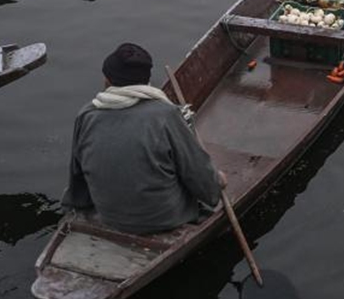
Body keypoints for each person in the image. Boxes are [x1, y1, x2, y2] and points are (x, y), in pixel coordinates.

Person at [62, 43, 226, 234]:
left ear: (107, 80)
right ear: (145, 81)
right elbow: (196, 172)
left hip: (109, 217)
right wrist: (216, 183)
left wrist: (76, 205)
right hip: (166, 219)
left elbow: (77, 172)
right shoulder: (166, 115)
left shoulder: (86, 114)